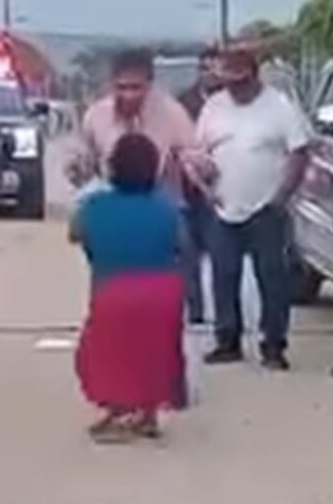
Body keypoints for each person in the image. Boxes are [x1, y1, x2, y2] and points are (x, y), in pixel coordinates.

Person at [196, 43, 310, 371]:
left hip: (266, 207)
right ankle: (227, 340)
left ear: (254, 75)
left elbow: (299, 152)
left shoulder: (279, 106)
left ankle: (273, 344)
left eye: (240, 80)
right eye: (228, 81)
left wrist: (282, 196)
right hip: (222, 205)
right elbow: (197, 150)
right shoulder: (214, 107)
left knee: (272, 278)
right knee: (223, 274)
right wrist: (203, 183)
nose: (234, 88)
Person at [72, 132, 186, 443]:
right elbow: (182, 245)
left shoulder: (95, 205)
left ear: (113, 168)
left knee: (105, 354)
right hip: (163, 291)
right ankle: (147, 414)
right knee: (153, 352)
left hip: (114, 291)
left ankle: (117, 409)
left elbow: (76, 234)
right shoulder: (167, 208)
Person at [68, 49, 196, 198]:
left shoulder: (174, 115)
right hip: (110, 201)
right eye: (121, 87)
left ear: (149, 85)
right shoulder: (96, 115)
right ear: (112, 84)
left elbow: (193, 158)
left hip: (157, 204)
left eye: (135, 87)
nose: (128, 96)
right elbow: (81, 158)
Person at [177, 49, 223, 324]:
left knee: (221, 256)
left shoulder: (231, 103)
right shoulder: (184, 103)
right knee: (188, 254)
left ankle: (225, 313)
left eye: (215, 68)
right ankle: (195, 311)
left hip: (222, 190)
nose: (210, 73)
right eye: (205, 68)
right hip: (187, 192)